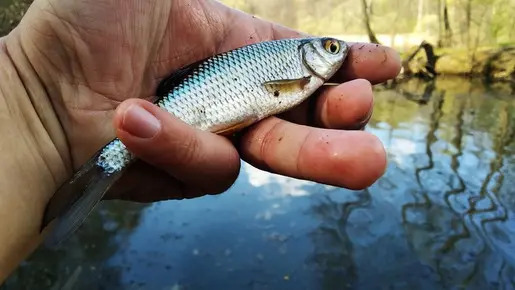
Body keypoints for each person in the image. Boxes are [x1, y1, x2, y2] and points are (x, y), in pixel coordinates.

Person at [0, 0, 401, 282]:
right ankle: (98, 172)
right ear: (310, 56)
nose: (338, 53)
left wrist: (30, 103)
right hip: (196, 105)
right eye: (331, 48)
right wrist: (30, 87)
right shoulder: (298, 73)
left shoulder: (294, 67)